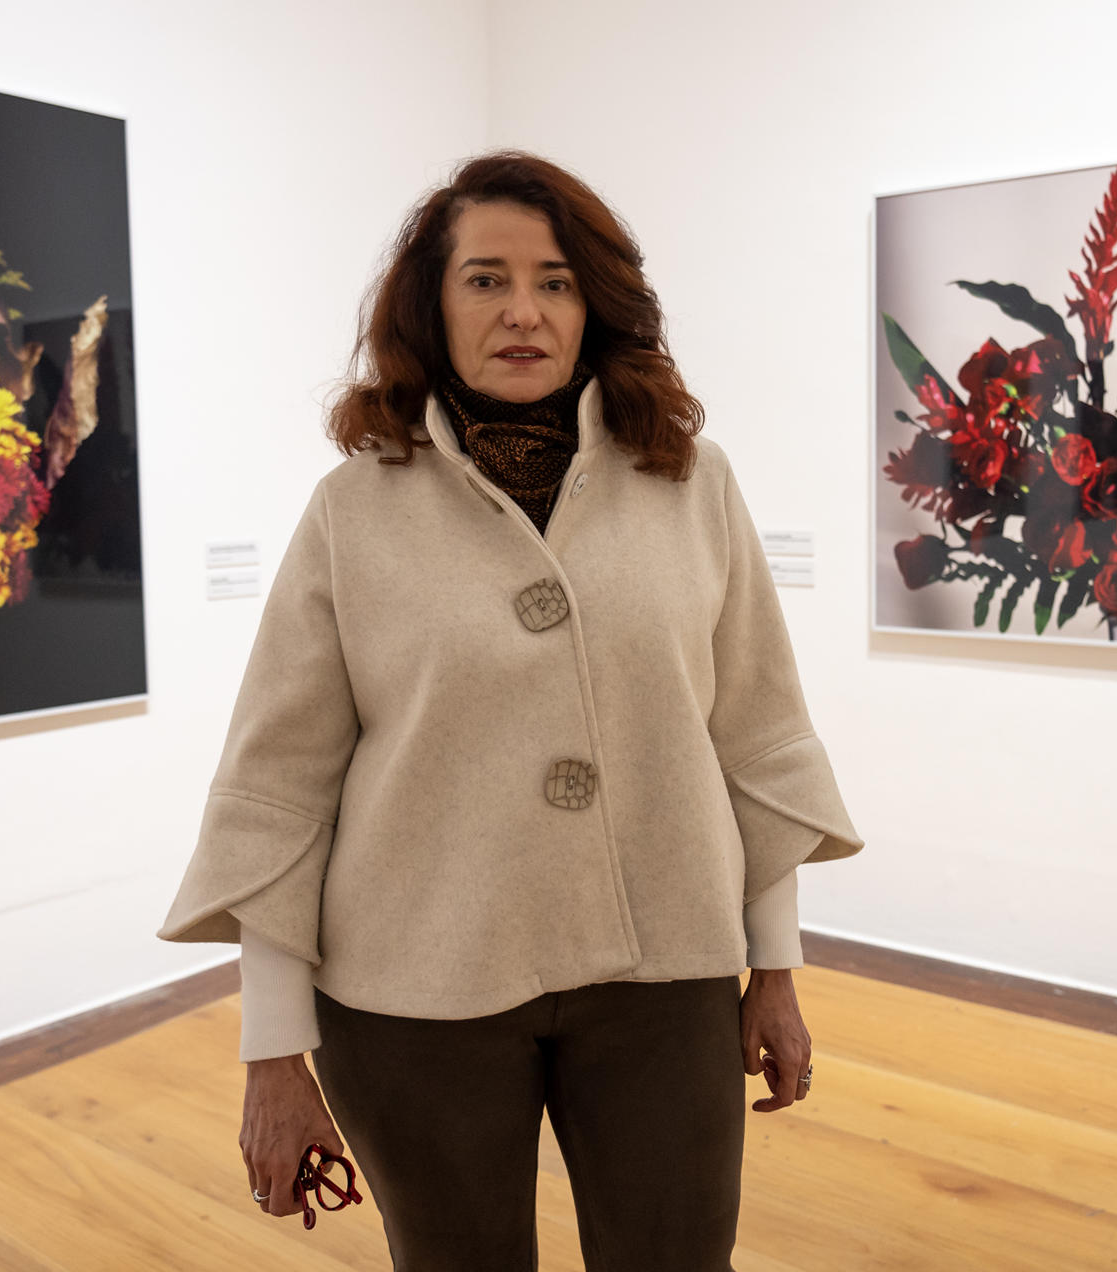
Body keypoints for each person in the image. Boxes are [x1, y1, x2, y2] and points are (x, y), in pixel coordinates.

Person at [156, 150, 863, 1270]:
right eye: (485, 279)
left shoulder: (692, 482)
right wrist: (271, 1055)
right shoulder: (353, 511)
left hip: (665, 973)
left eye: (557, 281)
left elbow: (754, 733)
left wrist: (773, 968)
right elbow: (277, 788)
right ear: (432, 307)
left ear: (598, 305)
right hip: (413, 991)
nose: (523, 311)